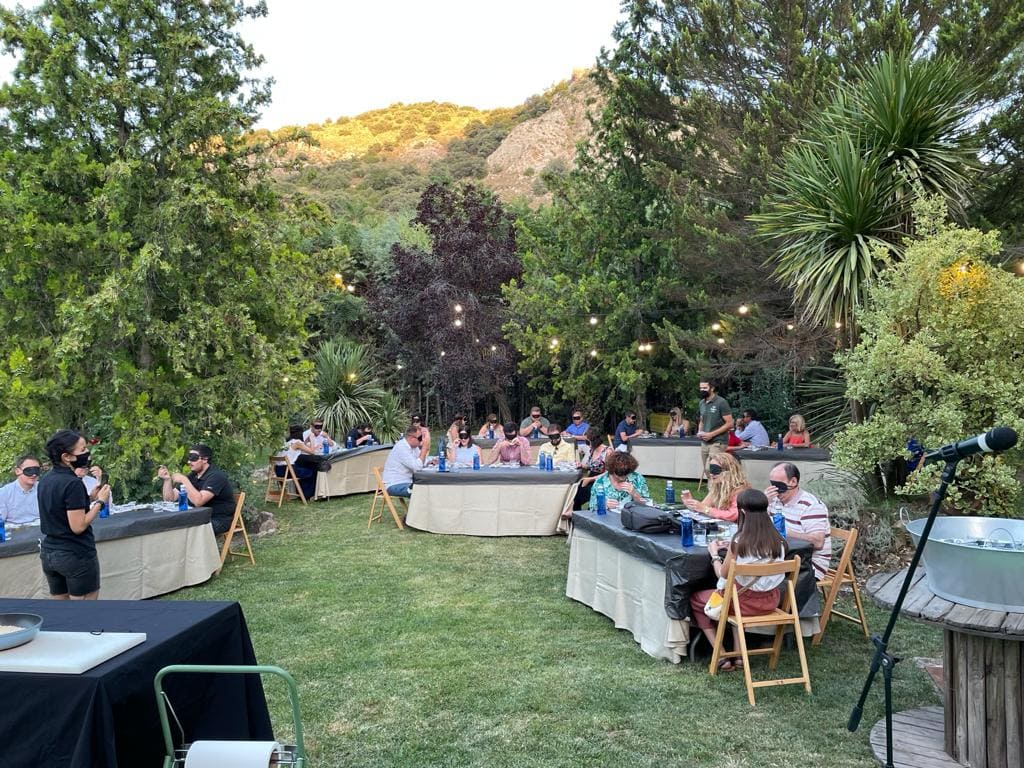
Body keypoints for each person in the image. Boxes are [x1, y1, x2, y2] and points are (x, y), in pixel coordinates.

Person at [689, 489, 787, 667]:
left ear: (742, 511)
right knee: (737, 590)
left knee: (697, 599)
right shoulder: (778, 540)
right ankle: (739, 653)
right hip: (771, 601)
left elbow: (722, 574)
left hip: (742, 604)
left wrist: (714, 555)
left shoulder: (739, 542)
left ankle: (721, 654)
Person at [37, 429, 111, 600]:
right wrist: (100, 501)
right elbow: (78, 526)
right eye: (82, 449)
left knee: (63, 613)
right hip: (75, 554)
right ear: (67, 457)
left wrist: (88, 498)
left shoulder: (46, 479)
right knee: (84, 612)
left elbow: (60, 508)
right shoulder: (72, 483)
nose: (87, 453)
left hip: (50, 554)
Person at [765, 462, 832, 580]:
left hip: (808, 566)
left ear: (793, 482)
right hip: (781, 557)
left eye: (779, 485)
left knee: (756, 576)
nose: (775, 490)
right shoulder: (774, 501)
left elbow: (818, 542)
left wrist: (783, 531)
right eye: (772, 485)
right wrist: (762, 504)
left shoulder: (811, 506)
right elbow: (761, 525)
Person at [158, 444, 236, 535]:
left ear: (205, 459)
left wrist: (184, 480)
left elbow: (199, 502)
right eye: (189, 458)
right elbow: (169, 499)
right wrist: (167, 480)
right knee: (169, 525)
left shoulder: (216, 476)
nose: (189, 461)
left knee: (183, 531)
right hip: (197, 517)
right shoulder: (193, 476)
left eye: (193, 458)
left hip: (217, 519)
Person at [682, 453, 750, 522]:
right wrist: (690, 503)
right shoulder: (717, 487)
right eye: (711, 470)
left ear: (729, 471)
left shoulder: (741, 490)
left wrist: (706, 509)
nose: (711, 474)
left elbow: (733, 515)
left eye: (716, 470)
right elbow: (702, 507)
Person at [382, 426, 430, 498]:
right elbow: (417, 467)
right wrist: (424, 448)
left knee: (428, 488)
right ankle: (418, 509)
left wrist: (430, 462)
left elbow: (422, 461)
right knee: (421, 490)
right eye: (420, 438)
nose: (422, 441)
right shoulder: (401, 447)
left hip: (407, 482)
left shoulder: (414, 447)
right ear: (411, 438)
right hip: (395, 484)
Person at [572, 426, 611, 511]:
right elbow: (591, 466)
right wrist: (582, 466)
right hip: (590, 478)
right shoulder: (592, 450)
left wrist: (590, 479)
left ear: (593, 440)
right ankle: (576, 516)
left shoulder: (607, 452)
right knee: (574, 495)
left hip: (601, 481)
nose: (586, 444)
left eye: (587, 441)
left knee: (585, 493)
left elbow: (609, 474)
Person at [696, 378, 733, 467]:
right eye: (701, 388)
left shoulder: (721, 402)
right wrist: (699, 431)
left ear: (712, 388)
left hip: (718, 441)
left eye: (705, 388)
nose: (702, 390)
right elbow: (702, 420)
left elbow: (730, 423)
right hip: (705, 441)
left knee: (713, 468)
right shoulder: (701, 403)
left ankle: (724, 480)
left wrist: (711, 434)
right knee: (706, 470)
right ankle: (713, 481)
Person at [0, 454, 42, 526]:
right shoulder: (4, 493)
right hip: (13, 533)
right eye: (29, 470)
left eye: (36, 470)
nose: (34, 474)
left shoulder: (44, 489)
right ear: (17, 471)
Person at [278, 425, 318, 500]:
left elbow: (304, 447)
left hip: (278, 471)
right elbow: (312, 452)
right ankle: (307, 495)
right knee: (311, 472)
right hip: (287, 470)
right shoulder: (297, 443)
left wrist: (307, 441)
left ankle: (301, 492)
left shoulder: (287, 443)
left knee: (302, 469)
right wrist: (312, 438)